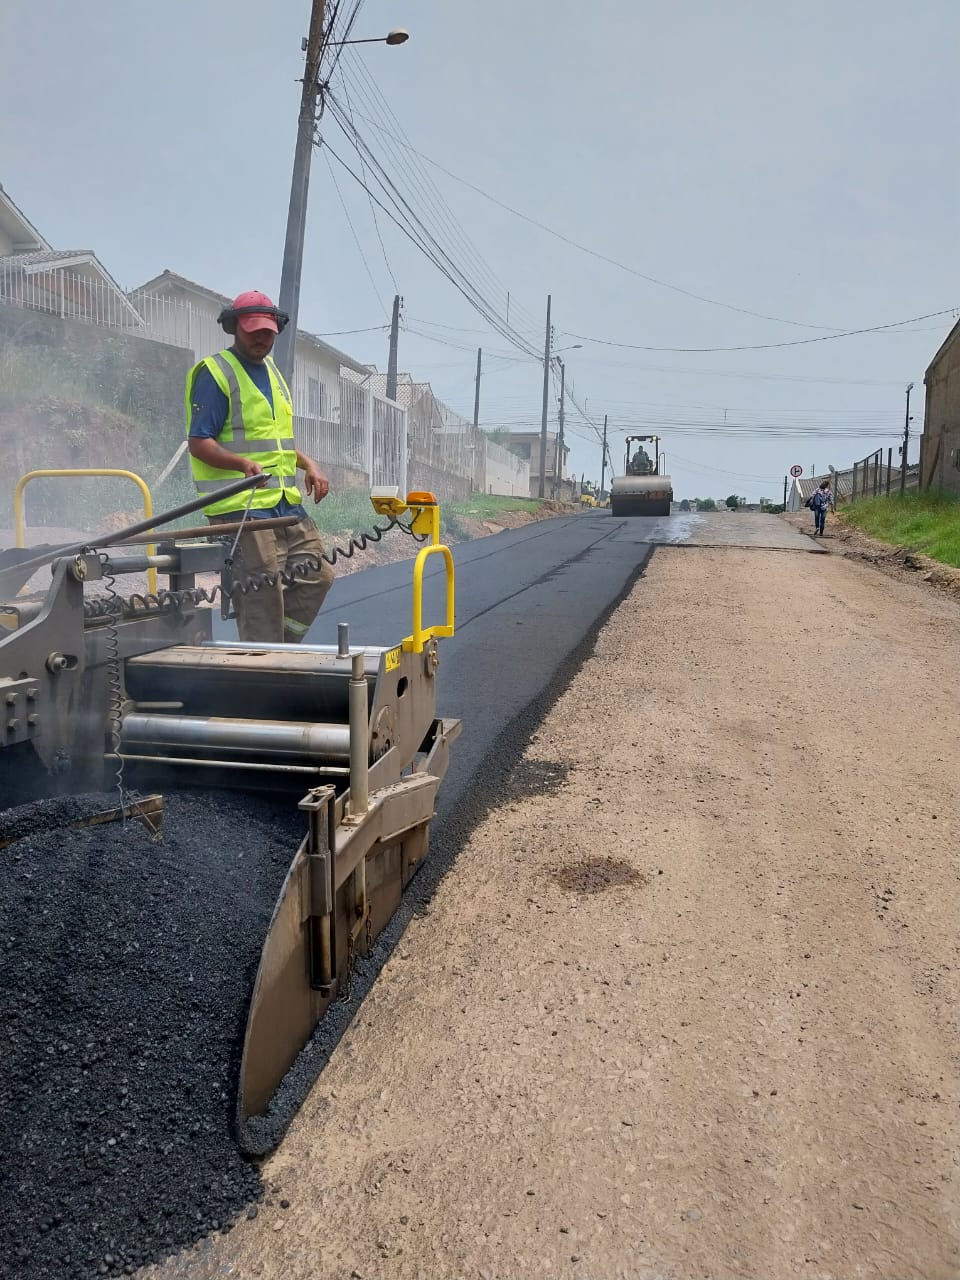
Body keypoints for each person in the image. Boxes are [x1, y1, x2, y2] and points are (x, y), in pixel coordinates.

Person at [185, 290, 335, 643]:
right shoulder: (216, 373)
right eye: (253, 330)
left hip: (285, 505)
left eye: (267, 331)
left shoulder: (274, 375)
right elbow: (199, 442)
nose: (261, 338)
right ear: (235, 327)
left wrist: (309, 463)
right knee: (262, 598)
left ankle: (277, 651)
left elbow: (278, 442)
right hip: (243, 510)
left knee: (319, 577)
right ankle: (264, 667)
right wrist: (240, 464)